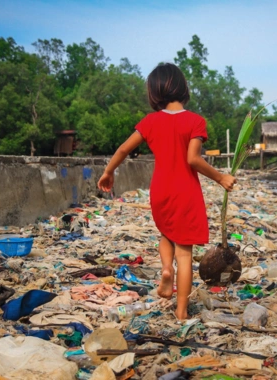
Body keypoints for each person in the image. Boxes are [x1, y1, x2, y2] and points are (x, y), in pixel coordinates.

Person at [97, 63, 236, 320]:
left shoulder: (150, 122)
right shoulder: (195, 121)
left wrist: (108, 172)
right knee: (185, 254)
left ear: (154, 91)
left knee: (165, 233)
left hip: (161, 189)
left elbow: (124, 149)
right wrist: (220, 178)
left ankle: (165, 269)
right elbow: (193, 159)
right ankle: (182, 310)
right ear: (183, 88)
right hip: (186, 191)